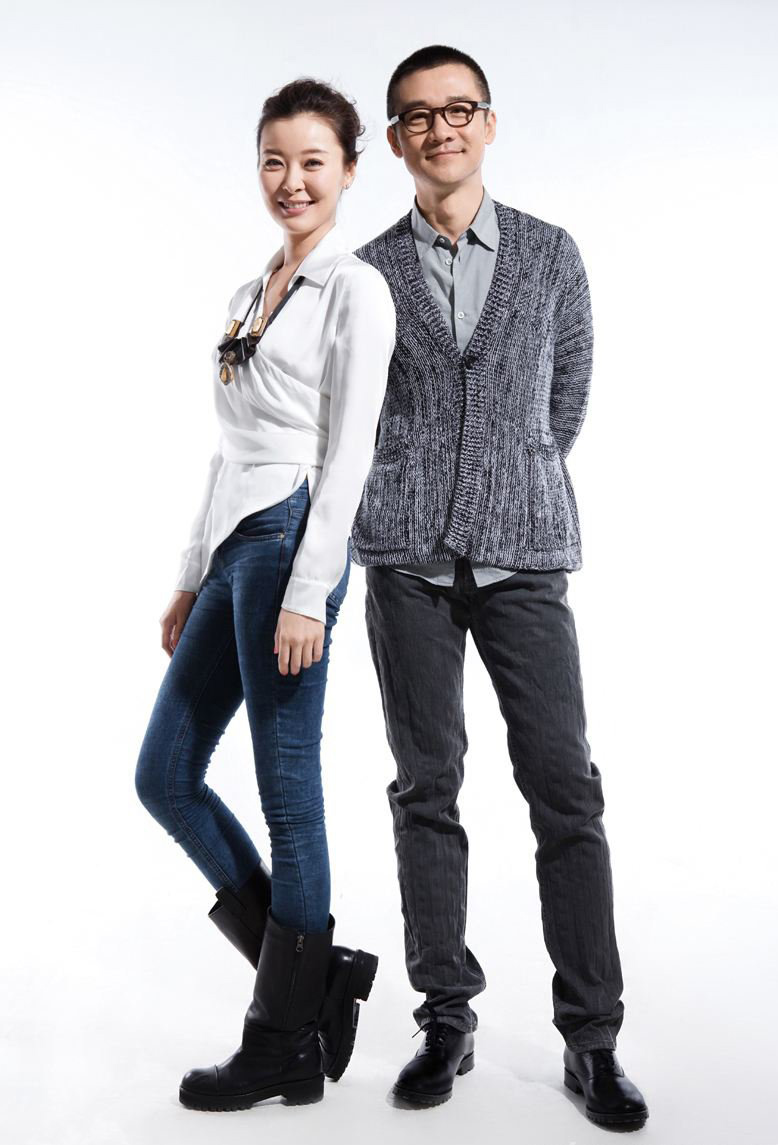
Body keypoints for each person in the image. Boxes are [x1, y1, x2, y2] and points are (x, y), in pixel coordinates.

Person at [350, 45, 649, 1128]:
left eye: (458, 108)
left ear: (487, 121)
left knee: (565, 789)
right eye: (417, 115)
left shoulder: (549, 253)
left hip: (525, 557)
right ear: (395, 139)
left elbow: (564, 399)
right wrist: (422, 487)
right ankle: (446, 1016)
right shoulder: (366, 272)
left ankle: (592, 1038)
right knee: (425, 787)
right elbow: (353, 414)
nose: (441, 128)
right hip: (407, 563)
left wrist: (505, 483)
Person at [134, 77, 396, 1112]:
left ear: (348, 170)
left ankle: (282, 1035)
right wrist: (188, 573)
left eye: (312, 162)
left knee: (288, 791)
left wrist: (308, 589)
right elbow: (227, 445)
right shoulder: (251, 290)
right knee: (164, 774)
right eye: (274, 161)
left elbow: (351, 451)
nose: (292, 180)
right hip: (234, 544)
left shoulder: (353, 290)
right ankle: (315, 984)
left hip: (291, 541)